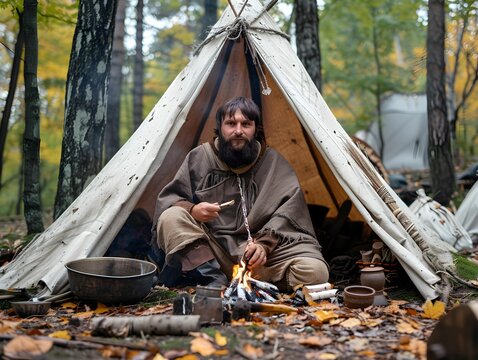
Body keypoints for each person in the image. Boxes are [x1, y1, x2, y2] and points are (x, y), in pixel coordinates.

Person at [153, 96, 328, 290]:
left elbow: (289, 213)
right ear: (219, 127)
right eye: (231, 124)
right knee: (171, 217)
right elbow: (170, 200)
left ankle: (256, 282)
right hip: (214, 253)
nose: (238, 131)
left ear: (256, 129)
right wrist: (193, 210)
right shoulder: (200, 157)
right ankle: (213, 279)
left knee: (315, 272)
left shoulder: (273, 162)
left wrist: (263, 245)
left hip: (261, 257)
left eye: (246, 124)